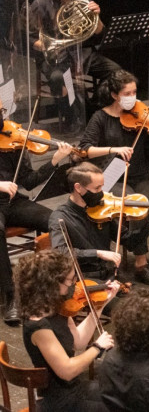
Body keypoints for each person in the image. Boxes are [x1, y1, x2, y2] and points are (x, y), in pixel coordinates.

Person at [79, 70, 149, 264]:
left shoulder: (141, 118)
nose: (133, 98)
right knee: (137, 207)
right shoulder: (100, 118)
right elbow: (85, 149)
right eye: (127, 94)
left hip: (140, 175)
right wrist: (113, 149)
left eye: (134, 92)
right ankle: (141, 261)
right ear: (115, 95)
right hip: (113, 178)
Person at [16, 250, 119, 412]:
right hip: (58, 402)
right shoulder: (37, 325)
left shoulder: (57, 307)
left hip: (74, 389)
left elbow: (78, 341)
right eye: (70, 280)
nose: (73, 284)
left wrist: (101, 305)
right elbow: (67, 371)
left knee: (122, 396)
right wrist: (97, 347)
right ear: (51, 283)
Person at [0, 101, 75, 325]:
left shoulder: (12, 138)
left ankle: (59, 283)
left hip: (13, 202)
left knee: (58, 220)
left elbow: (29, 181)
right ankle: (11, 296)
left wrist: (55, 160)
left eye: (1, 111)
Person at [28, 0, 122, 132]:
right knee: (58, 78)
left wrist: (97, 15)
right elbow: (30, 38)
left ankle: (93, 109)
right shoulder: (40, 4)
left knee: (116, 73)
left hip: (81, 53)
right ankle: (71, 118)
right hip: (55, 58)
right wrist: (48, 46)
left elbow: (98, 31)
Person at [49, 162, 149, 286]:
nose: (101, 194)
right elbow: (61, 252)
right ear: (78, 188)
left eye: (102, 187)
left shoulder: (102, 211)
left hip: (110, 277)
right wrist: (98, 253)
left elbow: (131, 242)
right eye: (97, 189)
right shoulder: (60, 217)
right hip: (82, 279)